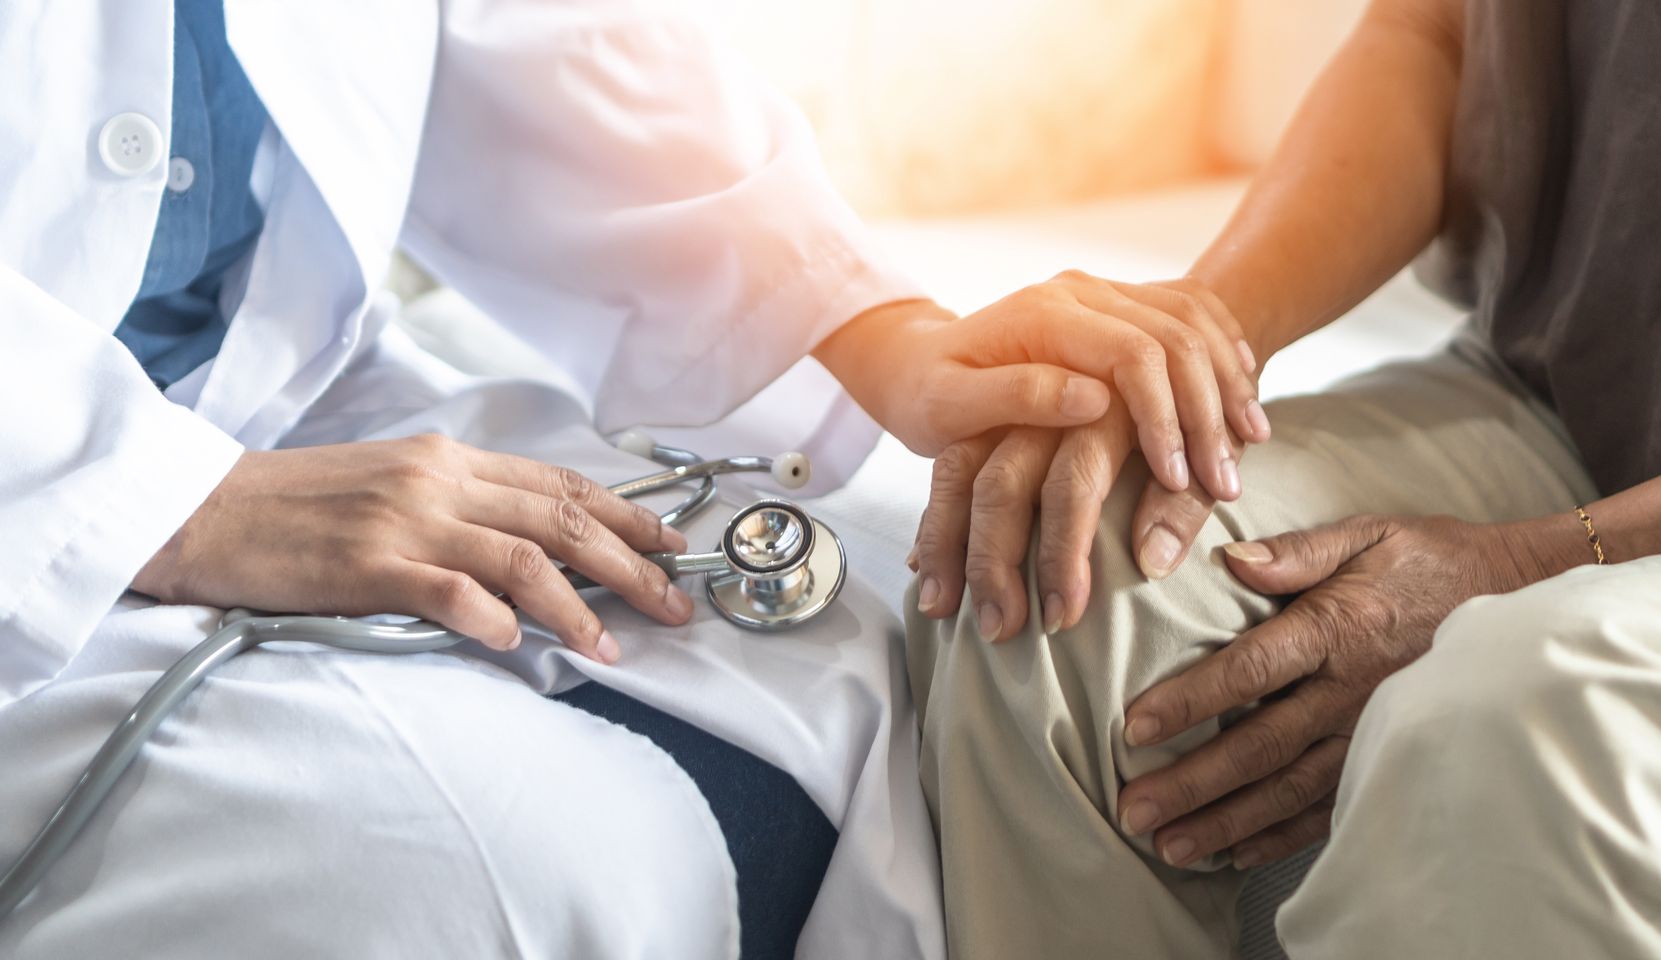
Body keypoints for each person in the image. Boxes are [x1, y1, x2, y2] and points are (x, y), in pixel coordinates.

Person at [0, 1, 1259, 957]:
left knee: (880, 651)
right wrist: (178, 504)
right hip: (41, 475)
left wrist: (884, 336)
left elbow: (530, 35)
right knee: (503, 866)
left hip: (290, 381)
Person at [907, 0, 1661, 957]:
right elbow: (1432, 37)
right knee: (1069, 556)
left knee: (1539, 711)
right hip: (1576, 391)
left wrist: (1531, 563)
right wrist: (1191, 349)